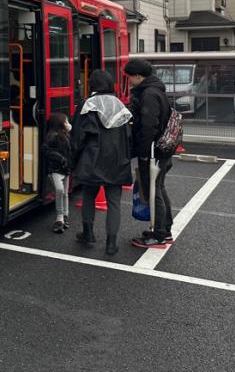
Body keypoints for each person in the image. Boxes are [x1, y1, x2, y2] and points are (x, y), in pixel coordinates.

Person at [70, 69, 132, 256]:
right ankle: (111, 244)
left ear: (93, 84)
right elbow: (128, 136)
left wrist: (73, 160)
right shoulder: (120, 105)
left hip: (92, 159)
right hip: (117, 159)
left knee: (89, 195)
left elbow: (77, 137)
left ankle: (88, 234)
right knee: (114, 202)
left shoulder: (87, 105)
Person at [124, 58, 173, 249]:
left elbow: (148, 126)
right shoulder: (156, 90)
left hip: (153, 152)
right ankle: (164, 230)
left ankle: (159, 235)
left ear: (137, 76)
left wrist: (143, 152)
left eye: (130, 78)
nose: (129, 82)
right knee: (159, 188)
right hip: (162, 149)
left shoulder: (149, 94)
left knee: (155, 191)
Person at [43, 113, 72, 233]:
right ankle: (60, 217)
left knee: (65, 193)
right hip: (56, 169)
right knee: (60, 191)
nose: (68, 124)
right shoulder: (52, 136)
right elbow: (47, 151)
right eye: (66, 121)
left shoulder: (65, 135)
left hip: (64, 169)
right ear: (60, 123)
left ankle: (65, 216)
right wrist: (62, 159)